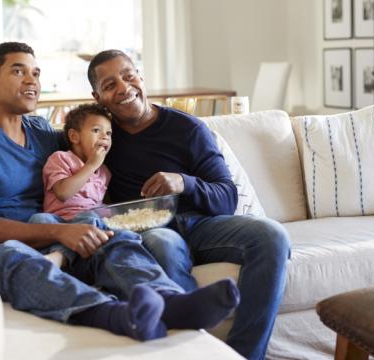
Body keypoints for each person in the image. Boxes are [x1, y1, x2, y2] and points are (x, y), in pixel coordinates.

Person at [0, 42, 241, 343]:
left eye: (36, 73)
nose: (32, 81)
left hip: (55, 235)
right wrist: (59, 234)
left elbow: (85, 137)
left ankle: (170, 301)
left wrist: (68, 231)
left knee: (113, 235)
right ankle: (116, 315)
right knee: (13, 256)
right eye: (19, 71)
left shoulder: (41, 132)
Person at [87, 49, 291, 359]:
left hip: (203, 225)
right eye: (110, 84)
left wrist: (185, 182)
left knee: (272, 236)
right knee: (163, 244)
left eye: (129, 76)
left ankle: (246, 354)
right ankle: (197, 351)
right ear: (98, 97)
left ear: (141, 77)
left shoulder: (186, 128)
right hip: (150, 230)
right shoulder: (100, 137)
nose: (124, 88)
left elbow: (227, 197)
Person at [40, 103, 113, 268]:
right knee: (38, 219)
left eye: (109, 133)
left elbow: (102, 204)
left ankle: (59, 258)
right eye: (96, 130)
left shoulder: (105, 172)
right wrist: (91, 166)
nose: (105, 137)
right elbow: (63, 193)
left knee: (92, 218)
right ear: (74, 137)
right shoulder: (61, 158)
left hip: (87, 222)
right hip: (57, 223)